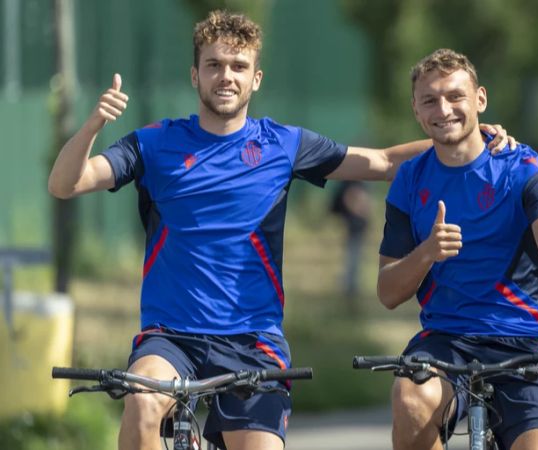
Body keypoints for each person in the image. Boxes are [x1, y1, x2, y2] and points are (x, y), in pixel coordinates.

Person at [46, 11, 512, 450]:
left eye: (238, 66)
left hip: (254, 340)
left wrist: (468, 135)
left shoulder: (283, 145)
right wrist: (92, 126)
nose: (225, 76)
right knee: (143, 402)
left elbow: (385, 162)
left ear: (256, 78)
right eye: (213, 65)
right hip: (171, 337)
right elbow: (65, 183)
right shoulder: (154, 143)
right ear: (195, 76)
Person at [377, 48, 538, 450]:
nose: (444, 108)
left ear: (480, 100)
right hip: (445, 339)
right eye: (430, 100)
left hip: (524, 340)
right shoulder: (409, 179)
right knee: (410, 397)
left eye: (455, 96)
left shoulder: (523, 168)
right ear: (417, 112)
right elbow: (387, 292)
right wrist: (427, 253)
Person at [330, 180, 372, 306]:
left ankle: (350, 287)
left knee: (353, 257)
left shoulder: (355, 180)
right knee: (353, 257)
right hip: (355, 224)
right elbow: (352, 197)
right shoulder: (356, 181)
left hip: (355, 224)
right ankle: (350, 288)